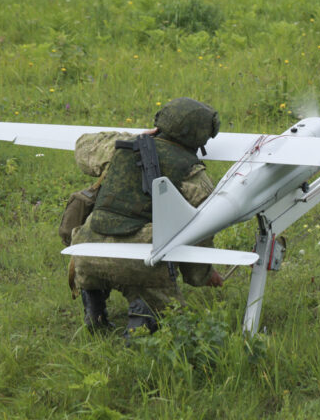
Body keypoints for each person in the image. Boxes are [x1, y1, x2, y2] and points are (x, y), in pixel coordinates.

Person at [69, 97, 224, 336]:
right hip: (138, 259)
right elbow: (199, 233)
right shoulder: (194, 177)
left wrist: (137, 137)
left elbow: (83, 145)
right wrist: (202, 275)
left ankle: (94, 305)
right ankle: (143, 318)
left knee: (95, 264)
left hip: (86, 251)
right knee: (171, 314)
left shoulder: (120, 147)